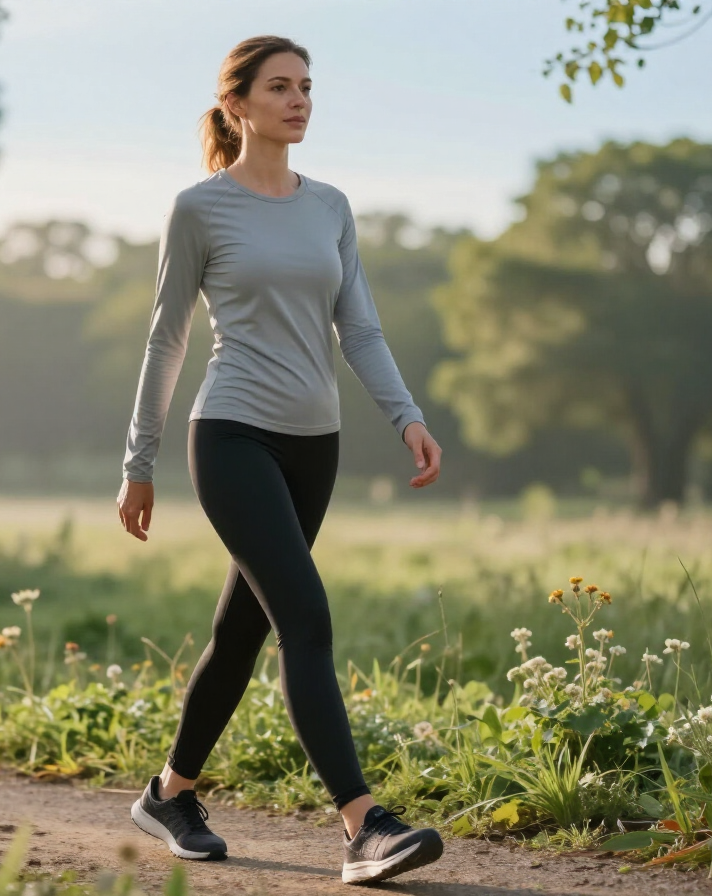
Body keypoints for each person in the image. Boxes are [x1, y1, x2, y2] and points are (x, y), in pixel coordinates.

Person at [115, 34, 444, 886]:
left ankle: (168, 794)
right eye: (279, 87)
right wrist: (139, 462)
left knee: (242, 631)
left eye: (306, 87)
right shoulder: (199, 208)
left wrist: (405, 415)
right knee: (305, 616)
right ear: (237, 105)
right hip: (231, 433)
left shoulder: (330, 205)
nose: (299, 101)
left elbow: (359, 328)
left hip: (314, 444)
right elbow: (166, 339)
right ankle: (363, 826)